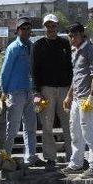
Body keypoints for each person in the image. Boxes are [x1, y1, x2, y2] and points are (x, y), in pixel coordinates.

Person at [61, 23, 93, 178]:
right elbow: (77, 76)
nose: (72, 38)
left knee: (90, 132)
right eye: (70, 36)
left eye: (74, 35)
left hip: (87, 97)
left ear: (81, 34)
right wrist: (69, 95)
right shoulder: (75, 51)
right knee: (75, 132)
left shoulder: (90, 50)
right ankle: (77, 163)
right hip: (77, 98)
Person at [0, 17, 44, 167]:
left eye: (27, 28)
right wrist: (3, 91)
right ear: (17, 31)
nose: (25, 31)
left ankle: (30, 157)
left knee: (31, 126)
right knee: (12, 128)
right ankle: (5, 158)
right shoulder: (13, 48)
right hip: (15, 92)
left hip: (29, 91)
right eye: (22, 28)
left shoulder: (32, 47)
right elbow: (5, 71)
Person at [31, 13, 73, 170]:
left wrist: (71, 89)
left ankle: (72, 155)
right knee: (47, 125)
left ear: (57, 26)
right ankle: (50, 157)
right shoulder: (38, 45)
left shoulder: (65, 43)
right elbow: (34, 69)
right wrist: (36, 91)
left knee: (68, 124)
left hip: (64, 89)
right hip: (46, 89)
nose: (51, 28)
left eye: (53, 25)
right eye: (48, 26)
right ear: (44, 27)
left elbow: (71, 67)